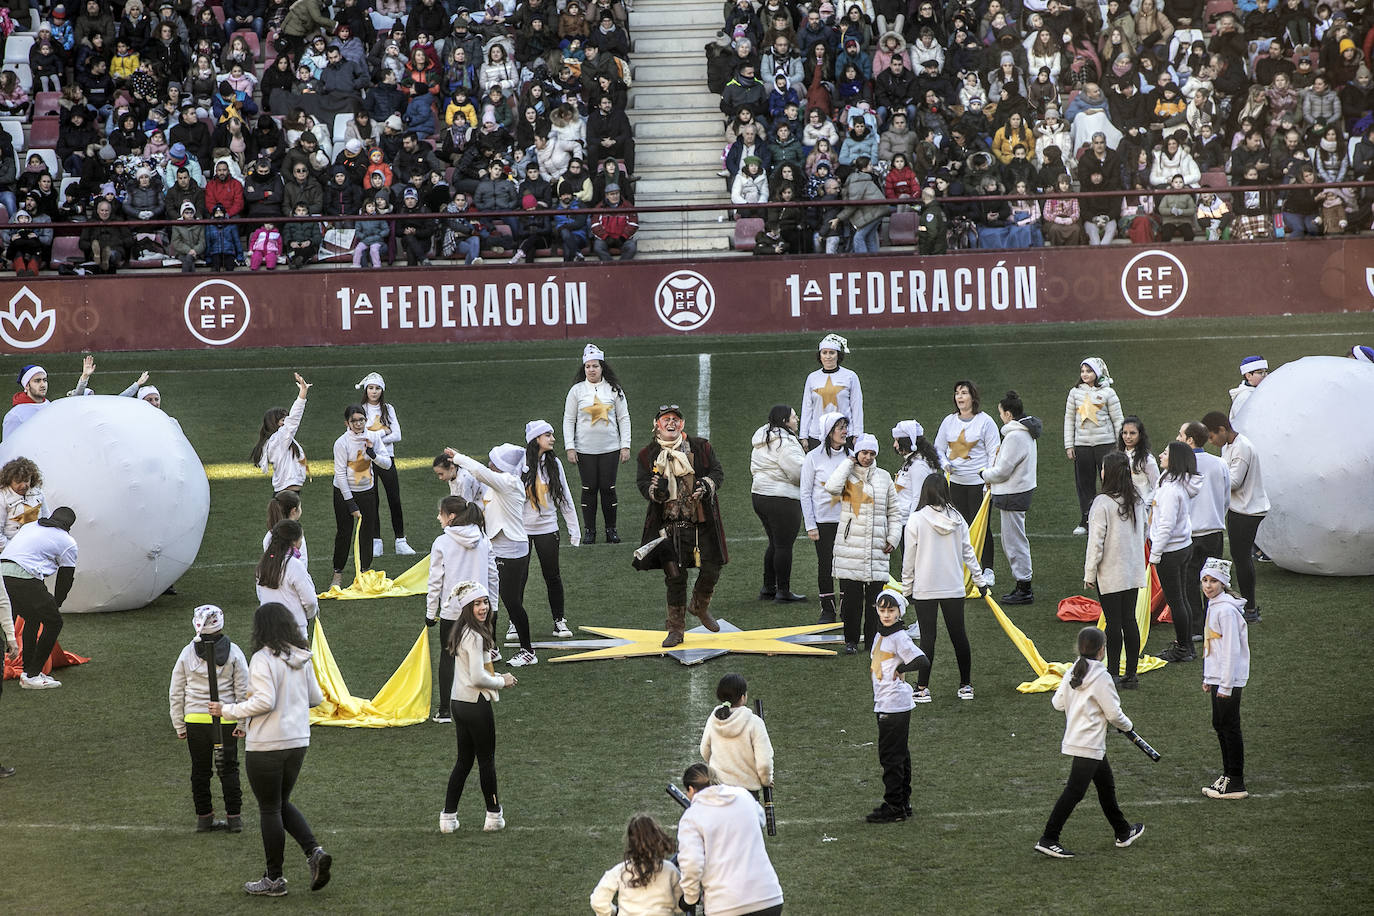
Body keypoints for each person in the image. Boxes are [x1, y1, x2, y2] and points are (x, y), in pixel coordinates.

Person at [210, 602, 331, 897]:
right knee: (280, 802)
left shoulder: (263, 659)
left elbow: (265, 701)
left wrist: (228, 710)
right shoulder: (303, 656)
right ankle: (314, 852)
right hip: (298, 741)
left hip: (267, 745)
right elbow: (315, 697)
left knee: (269, 808)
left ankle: (274, 879)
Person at [1034, 626, 1145, 858]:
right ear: (1102, 650)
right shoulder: (1101, 676)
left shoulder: (1073, 670)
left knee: (1106, 786)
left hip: (1080, 739)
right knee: (1074, 792)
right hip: (1090, 742)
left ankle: (1123, 831)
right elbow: (1114, 714)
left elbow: (1058, 703)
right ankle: (1049, 838)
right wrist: (1128, 727)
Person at [635, 404, 727, 649]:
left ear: (682, 424)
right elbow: (643, 484)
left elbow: (717, 472)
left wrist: (706, 485)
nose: (671, 423)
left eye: (675, 419)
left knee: (712, 567)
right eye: (666, 419)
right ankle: (675, 630)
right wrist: (655, 491)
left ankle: (699, 605)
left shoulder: (701, 447)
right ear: (657, 424)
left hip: (701, 524)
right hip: (668, 527)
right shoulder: (647, 454)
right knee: (675, 578)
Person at [443, 444, 536, 667]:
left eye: (493, 462)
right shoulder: (496, 484)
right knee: (489, 598)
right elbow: (469, 488)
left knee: (511, 601)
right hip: (496, 547)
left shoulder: (509, 483)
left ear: (502, 466)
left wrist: (459, 457)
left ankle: (528, 651)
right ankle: (491, 647)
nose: (489, 464)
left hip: (512, 549)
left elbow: (479, 472)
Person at [901, 474, 988, 704]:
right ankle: (966, 685)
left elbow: (908, 559)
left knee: (927, 639)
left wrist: (906, 588)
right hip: (953, 587)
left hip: (925, 588)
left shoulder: (916, 520)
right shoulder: (957, 518)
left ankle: (921, 688)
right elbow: (969, 552)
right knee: (959, 636)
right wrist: (980, 582)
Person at [438, 580, 516, 834]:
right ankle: (493, 815)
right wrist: (501, 681)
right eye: (477, 604)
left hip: (459, 702)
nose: (483, 608)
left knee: (463, 761)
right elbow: (477, 677)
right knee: (486, 761)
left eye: (484, 602)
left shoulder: (462, 631)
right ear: (467, 609)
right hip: (475, 704)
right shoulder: (475, 635)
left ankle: (448, 817)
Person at [168, 604, 249, 833]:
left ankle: (204, 818)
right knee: (229, 769)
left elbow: (176, 690)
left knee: (200, 770)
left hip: (195, 721)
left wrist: (179, 723)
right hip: (226, 718)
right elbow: (243, 690)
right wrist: (242, 722)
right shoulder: (234, 652)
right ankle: (234, 818)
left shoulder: (187, 652)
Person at [825, 433, 901, 653]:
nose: (867, 457)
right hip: (851, 548)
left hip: (878, 547)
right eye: (864, 452)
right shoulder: (847, 474)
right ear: (857, 453)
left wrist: (893, 538)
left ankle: (872, 641)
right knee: (851, 601)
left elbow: (894, 511)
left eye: (872, 453)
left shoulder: (885, 477)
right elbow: (831, 487)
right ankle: (850, 641)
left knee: (875, 601)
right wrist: (847, 463)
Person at [676, 763, 784, 916]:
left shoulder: (692, 816)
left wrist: (690, 898)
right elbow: (760, 819)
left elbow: (692, 863)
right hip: (768, 896)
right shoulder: (742, 795)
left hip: (726, 905)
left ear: (691, 789)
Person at [425, 496, 495, 724]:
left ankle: (445, 710)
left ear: (451, 517)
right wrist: (491, 605)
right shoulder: (483, 539)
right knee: (481, 655)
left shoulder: (442, 542)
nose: (438, 518)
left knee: (448, 657)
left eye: (441, 513)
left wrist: (430, 612)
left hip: (452, 611)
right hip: (480, 611)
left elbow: (435, 580)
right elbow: (493, 574)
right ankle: (482, 702)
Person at [866, 589, 930, 824]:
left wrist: (901, 670)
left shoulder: (899, 637)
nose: (885, 615)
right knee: (900, 754)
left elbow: (922, 660)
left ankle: (894, 806)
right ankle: (903, 802)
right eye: (882, 610)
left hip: (893, 704)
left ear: (899, 612)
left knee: (891, 756)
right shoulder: (883, 634)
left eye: (891, 610)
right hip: (887, 701)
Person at [1084, 452, 1148, 688]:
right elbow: (1144, 532)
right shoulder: (1137, 498)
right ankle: (1131, 674)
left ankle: (1111, 673)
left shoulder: (1102, 503)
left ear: (1107, 473)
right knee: (1129, 619)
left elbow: (1096, 543)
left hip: (1110, 572)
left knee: (1113, 622)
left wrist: (1089, 573)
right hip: (1132, 570)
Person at [1, 505, 78, 689]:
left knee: (32, 617)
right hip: (24, 576)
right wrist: (56, 603)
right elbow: (65, 579)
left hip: (2, 571)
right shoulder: (68, 542)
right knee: (54, 622)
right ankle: (32, 675)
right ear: (69, 525)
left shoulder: (30, 526)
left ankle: (29, 672)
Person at [562, 343, 631, 545]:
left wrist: (625, 445)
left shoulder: (614, 390)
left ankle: (611, 530)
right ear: (583, 368)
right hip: (585, 449)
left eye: (595, 366)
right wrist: (570, 446)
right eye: (588, 366)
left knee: (608, 488)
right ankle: (590, 531)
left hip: (610, 448)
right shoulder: (576, 391)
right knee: (589, 488)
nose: (591, 370)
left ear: (602, 367)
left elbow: (624, 418)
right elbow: (569, 419)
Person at [1202, 412, 1268, 624]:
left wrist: (1208, 476)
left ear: (1222, 429)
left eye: (1212, 436)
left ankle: (1250, 608)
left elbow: (1234, 482)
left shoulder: (1242, 448)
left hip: (1247, 510)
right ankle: (1247, 605)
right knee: (1240, 557)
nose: (1211, 442)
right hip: (1240, 508)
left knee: (1241, 558)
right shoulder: (1229, 446)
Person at [933, 379, 1000, 579]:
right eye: (957, 393)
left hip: (979, 484)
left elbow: (993, 451)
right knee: (958, 526)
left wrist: (989, 477)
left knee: (982, 526)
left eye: (964, 393)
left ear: (973, 397)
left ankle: (987, 569)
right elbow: (938, 447)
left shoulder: (985, 421)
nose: (959, 397)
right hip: (955, 484)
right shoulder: (949, 421)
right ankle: (961, 567)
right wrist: (944, 463)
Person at [979, 390, 1041, 605]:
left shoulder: (1015, 436)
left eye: (1001, 413)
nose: (1000, 416)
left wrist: (984, 474)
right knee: (1013, 540)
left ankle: (1024, 587)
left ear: (1007, 414)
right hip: (1016, 492)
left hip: (1012, 493)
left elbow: (1003, 470)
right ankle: (1022, 585)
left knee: (1014, 541)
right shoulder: (1023, 433)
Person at [521, 420, 581, 639]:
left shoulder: (554, 463)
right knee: (519, 577)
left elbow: (564, 497)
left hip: (547, 528)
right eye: (548, 435)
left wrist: (574, 530)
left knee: (552, 576)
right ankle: (514, 622)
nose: (553, 439)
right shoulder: (520, 463)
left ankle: (559, 621)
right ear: (536, 439)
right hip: (521, 530)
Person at [1199, 558, 1250, 800]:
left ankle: (1236, 779)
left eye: (1213, 581)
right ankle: (1228, 774)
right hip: (1219, 677)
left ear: (1223, 583)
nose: (1208, 586)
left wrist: (1226, 685)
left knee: (1229, 727)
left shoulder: (1226, 611)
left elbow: (1230, 650)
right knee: (1220, 724)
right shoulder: (1214, 605)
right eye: (1205, 580)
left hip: (1228, 680)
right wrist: (1209, 677)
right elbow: (1213, 647)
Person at [329, 403, 393, 590]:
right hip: (344, 492)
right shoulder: (341, 442)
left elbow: (387, 464)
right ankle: (337, 573)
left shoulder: (373, 437)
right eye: (353, 421)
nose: (358, 424)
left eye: (361, 420)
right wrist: (350, 502)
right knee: (344, 533)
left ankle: (365, 572)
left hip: (367, 491)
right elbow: (340, 474)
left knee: (367, 532)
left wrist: (372, 454)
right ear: (346, 423)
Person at [354, 372, 415, 558]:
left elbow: (397, 435)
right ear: (366, 390)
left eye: (377, 388)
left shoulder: (388, 409)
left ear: (382, 390)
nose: (374, 392)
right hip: (367, 459)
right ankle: (376, 541)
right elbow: (358, 436)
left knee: (394, 498)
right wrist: (383, 432)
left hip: (387, 458)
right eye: (371, 388)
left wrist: (375, 437)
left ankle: (400, 541)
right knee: (372, 500)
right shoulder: (360, 409)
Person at [749, 404, 806, 604]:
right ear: (784, 421)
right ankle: (783, 591)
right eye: (793, 417)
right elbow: (798, 473)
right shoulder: (786, 442)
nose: (797, 419)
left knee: (774, 543)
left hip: (759, 495)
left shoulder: (762, 437)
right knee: (783, 545)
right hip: (782, 499)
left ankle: (768, 588)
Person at [1179, 421, 1229, 642]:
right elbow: (1227, 496)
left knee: (1190, 581)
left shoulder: (1181, 465)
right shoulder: (1219, 463)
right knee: (1214, 580)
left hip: (1189, 533)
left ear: (1190, 440)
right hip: (1214, 530)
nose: (1178, 439)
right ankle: (1216, 624)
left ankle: (1196, 629)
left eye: (1181, 436)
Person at [1150, 442, 1199, 662]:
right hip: (1182, 547)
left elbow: (1166, 526)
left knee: (1176, 601)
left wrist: (1155, 554)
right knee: (1181, 599)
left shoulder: (1171, 490)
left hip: (1171, 552)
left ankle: (1183, 648)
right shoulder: (1173, 482)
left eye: (1166, 453)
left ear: (1175, 460)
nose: (1161, 455)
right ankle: (1186, 645)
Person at [800, 412, 850, 626]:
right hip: (823, 521)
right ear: (829, 432)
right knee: (825, 565)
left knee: (847, 565)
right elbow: (805, 492)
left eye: (845, 427)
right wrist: (811, 525)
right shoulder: (813, 457)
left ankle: (848, 608)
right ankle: (828, 610)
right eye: (840, 428)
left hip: (848, 519)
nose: (845, 431)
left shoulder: (852, 455)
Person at [1064, 358, 1124, 535]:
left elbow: (1118, 419)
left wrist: (1120, 446)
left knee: (1110, 482)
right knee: (1084, 484)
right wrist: (1069, 445)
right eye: (1082, 371)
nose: (1084, 375)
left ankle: (1113, 518)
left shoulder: (1108, 393)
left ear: (1097, 373)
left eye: (1088, 371)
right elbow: (1068, 419)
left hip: (1106, 445)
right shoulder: (1074, 393)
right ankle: (1086, 520)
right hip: (1082, 446)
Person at [590, 814, 682, 916]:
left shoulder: (620, 871)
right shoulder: (670, 870)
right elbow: (680, 904)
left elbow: (598, 901)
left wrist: (614, 912)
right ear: (657, 838)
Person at [700, 673, 774, 797]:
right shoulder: (755, 722)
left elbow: (704, 751)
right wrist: (766, 780)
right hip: (747, 794)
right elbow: (764, 763)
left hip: (719, 790)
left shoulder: (714, 719)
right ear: (743, 697)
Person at [256, 520, 318, 640]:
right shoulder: (295, 565)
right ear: (294, 542)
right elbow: (310, 601)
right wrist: (309, 615)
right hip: (293, 629)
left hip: (268, 628)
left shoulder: (263, 563)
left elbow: (260, 595)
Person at [799, 333, 864, 447]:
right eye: (824, 353)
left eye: (832, 353)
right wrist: (803, 435)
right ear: (820, 355)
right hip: (817, 435)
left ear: (838, 355)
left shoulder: (850, 376)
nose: (828, 356)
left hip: (844, 434)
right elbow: (807, 407)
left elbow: (856, 406)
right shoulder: (812, 377)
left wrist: (857, 434)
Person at [250, 374, 311, 493]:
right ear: (275, 423)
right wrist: (303, 392)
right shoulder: (279, 439)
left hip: (286, 492)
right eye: (284, 420)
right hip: (287, 493)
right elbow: (294, 418)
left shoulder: (278, 440)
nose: (286, 423)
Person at [890, 420, 941, 529]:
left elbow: (919, 497)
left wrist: (912, 526)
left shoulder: (919, 466)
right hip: (904, 520)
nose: (894, 445)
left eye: (897, 441)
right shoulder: (913, 461)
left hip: (910, 524)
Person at [0, 458, 46, 550]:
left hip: (36, 547)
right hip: (11, 551)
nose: (23, 485)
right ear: (9, 480)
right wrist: (12, 550)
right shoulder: (2, 497)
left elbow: (46, 519)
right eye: (18, 481)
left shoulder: (38, 493)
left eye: (26, 480)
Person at [1117, 417, 1158, 508]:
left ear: (1140, 435)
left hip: (1143, 509)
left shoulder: (1147, 459)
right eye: (1124, 433)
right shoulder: (1117, 457)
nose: (1128, 437)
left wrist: (1146, 504)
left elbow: (1157, 486)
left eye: (1132, 433)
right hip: (1122, 508)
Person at [1229, 355, 1267, 422]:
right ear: (1248, 376)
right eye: (1260, 373)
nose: (1265, 375)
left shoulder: (1261, 391)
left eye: (1265, 372)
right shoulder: (1244, 398)